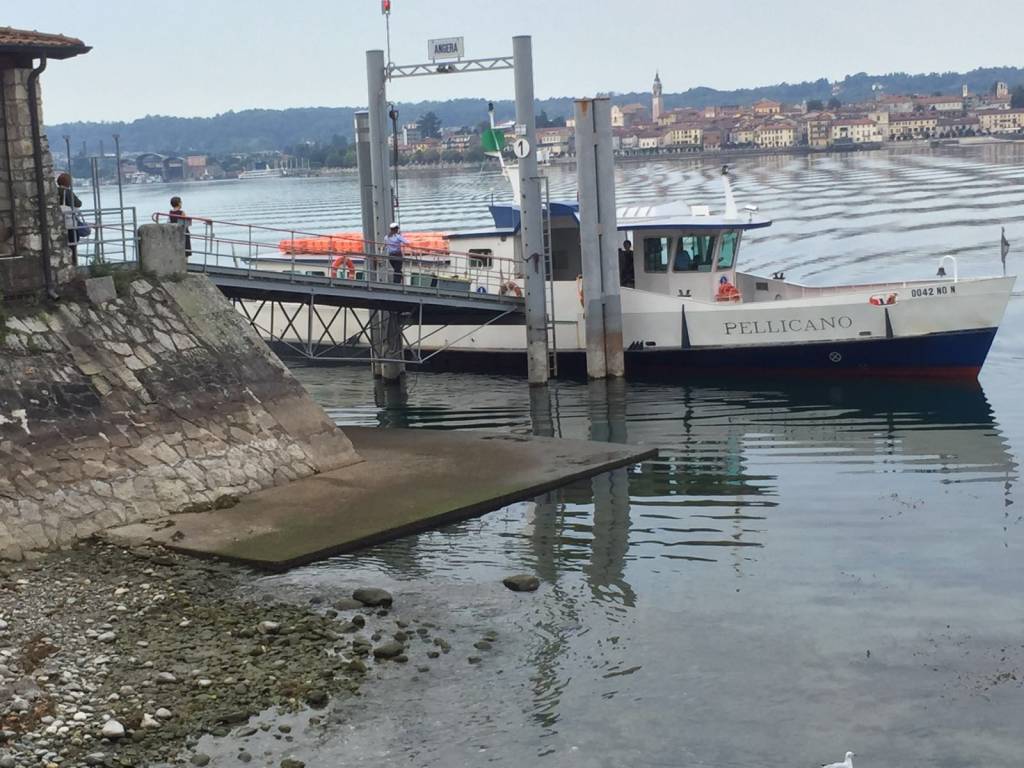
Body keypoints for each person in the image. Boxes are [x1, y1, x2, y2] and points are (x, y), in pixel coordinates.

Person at [57, 172, 83, 265]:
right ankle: (73, 263)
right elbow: (78, 203)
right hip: (69, 224)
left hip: (58, 224)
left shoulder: (55, 191)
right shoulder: (68, 192)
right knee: (72, 244)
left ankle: (63, 263)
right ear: (68, 183)